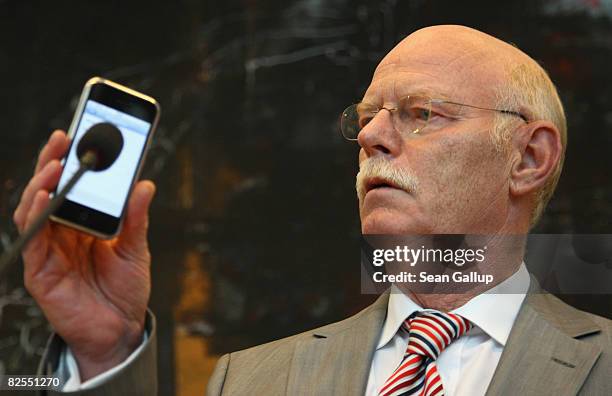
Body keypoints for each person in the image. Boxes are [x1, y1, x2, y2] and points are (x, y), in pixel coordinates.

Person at [14, 25, 610, 395]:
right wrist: (104, 353)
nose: (371, 137)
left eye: (422, 113)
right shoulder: (249, 382)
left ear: (528, 157)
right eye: (366, 117)